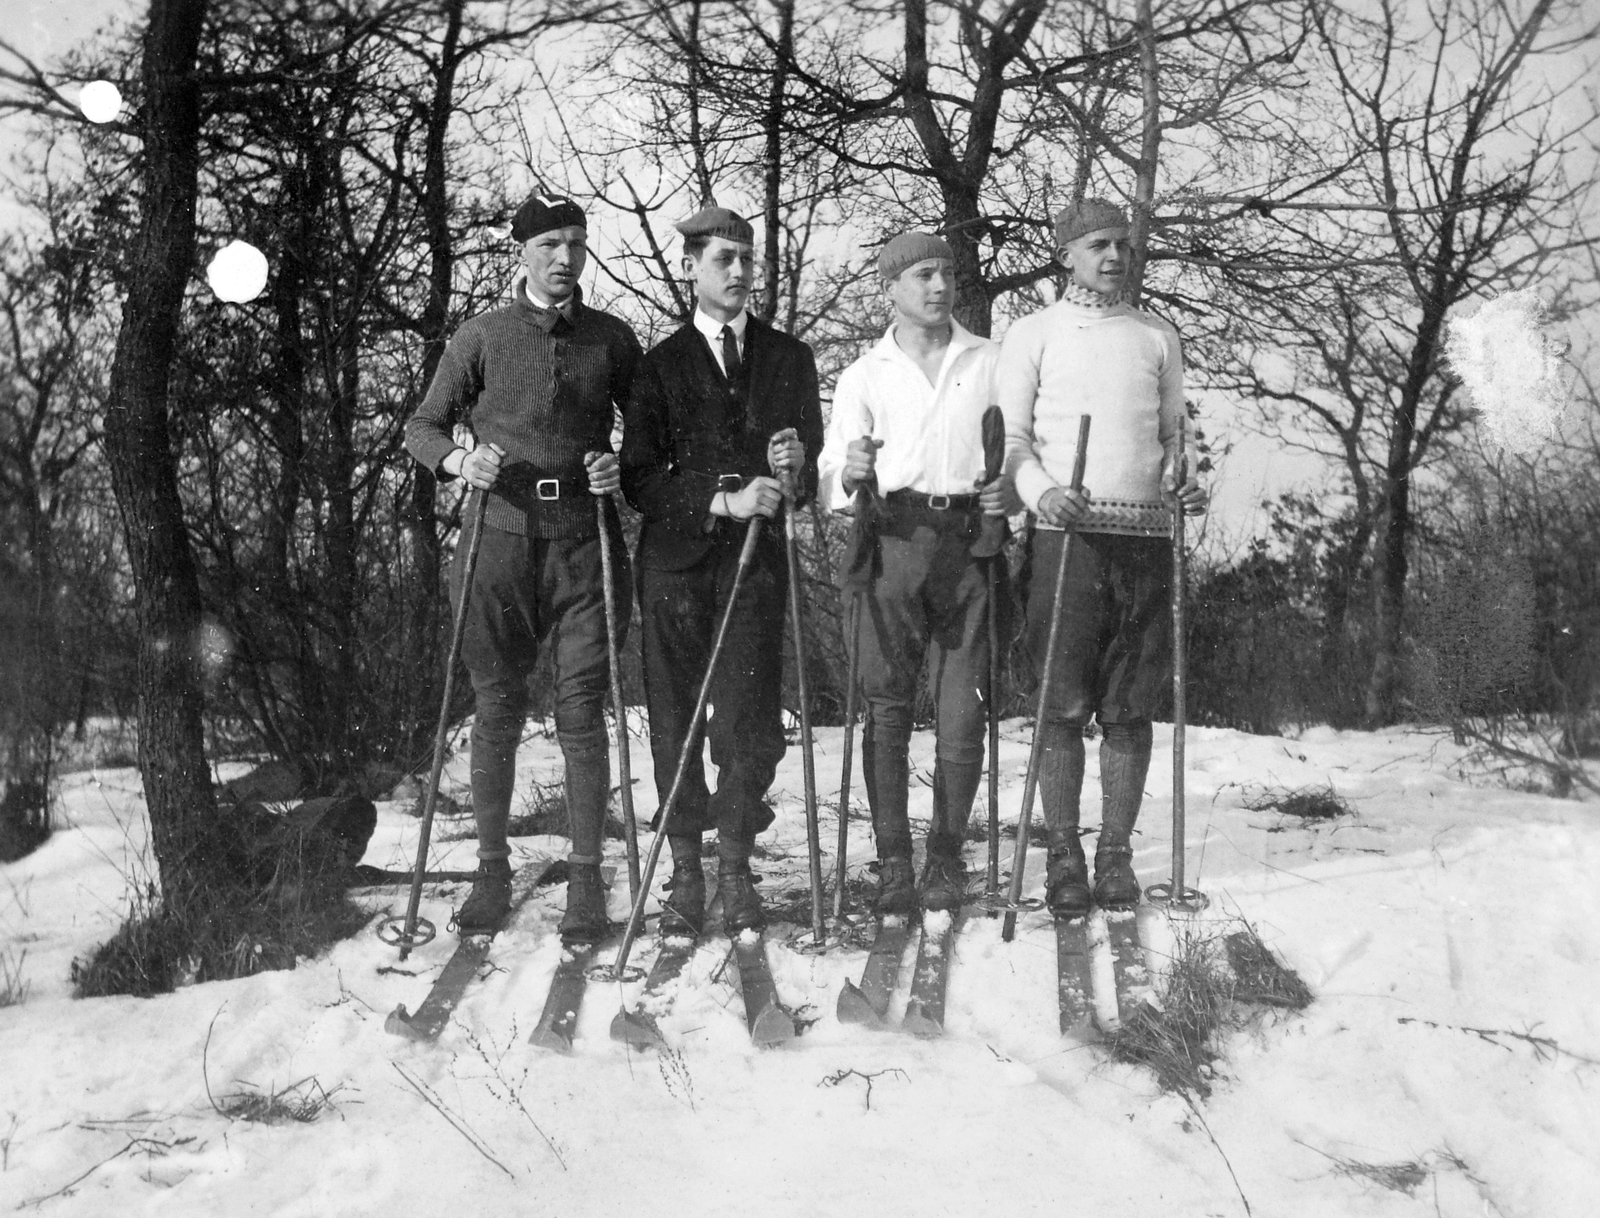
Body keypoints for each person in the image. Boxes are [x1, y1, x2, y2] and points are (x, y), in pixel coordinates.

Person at [404, 194, 642, 941]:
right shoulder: (481, 336)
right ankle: (489, 874)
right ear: (523, 254)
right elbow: (421, 425)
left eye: (576, 244)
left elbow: (650, 435)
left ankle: (582, 884)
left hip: (583, 538)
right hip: (498, 539)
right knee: (497, 704)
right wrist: (458, 459)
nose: (565, 259)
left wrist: (619, 464)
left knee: (580, 711)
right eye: (550, 246)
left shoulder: (612, 339)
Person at [998, 198, 1206, 915]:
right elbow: (1013, 445)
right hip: (1068, 539)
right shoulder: (1033, 334)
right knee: (1061, 705)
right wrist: (1042, 494)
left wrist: (1181, 471)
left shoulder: (1157, 335)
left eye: (1122, 245)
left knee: (1129, 707)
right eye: (1097, 246)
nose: (1114, 257)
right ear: (1066, 254)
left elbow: (1177, 436)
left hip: (1145, 538)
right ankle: (1063, 855)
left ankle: (1115, 855)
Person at [620, 204, 823, 935]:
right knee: (674, 714)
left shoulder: (789, 359)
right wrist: (723, 499)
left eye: (746, 258)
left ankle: (735, 863)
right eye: (722, 260)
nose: (738, 272)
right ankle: (684, 868)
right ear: (692, 269)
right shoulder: (659, 365)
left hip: (755, 569)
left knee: (749, 720)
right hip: (677, 567)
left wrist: (796, 472)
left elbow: (808, 472)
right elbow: (640, 478)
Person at [816, 232, 1011, 914]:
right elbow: (833, 475)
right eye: (923, 275)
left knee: (963, 712)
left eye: (947, 274)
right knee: (888, 709)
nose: (938, 287)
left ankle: (947, 857)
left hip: (967, 543)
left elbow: (1017, 452)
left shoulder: (989, 361)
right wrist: (851, 473)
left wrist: (1005, 490)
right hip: (891, 540)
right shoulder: (865, 374)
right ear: (890, 287)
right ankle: (895, 859)